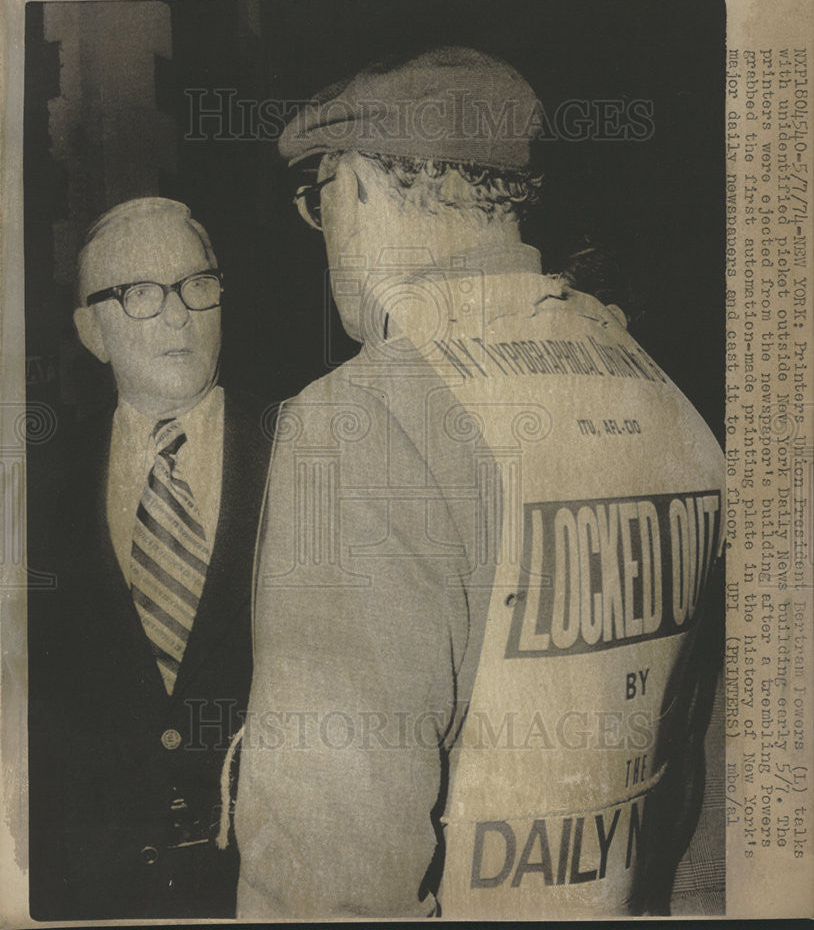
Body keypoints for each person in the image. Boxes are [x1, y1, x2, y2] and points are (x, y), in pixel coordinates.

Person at [234, 48, 725, 919]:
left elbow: (328, 869)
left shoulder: (359, 423)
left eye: (321, 200)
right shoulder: (666, 398)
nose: (327, 235)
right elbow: (704, 803)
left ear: (360, 190)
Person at [28, 198, 272, 919]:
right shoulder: (40, 490)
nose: (177, 316)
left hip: (267, 885)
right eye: (139, 294)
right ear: (90, 331)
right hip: (96, 892)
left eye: (197, 285)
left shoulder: (304, 449)